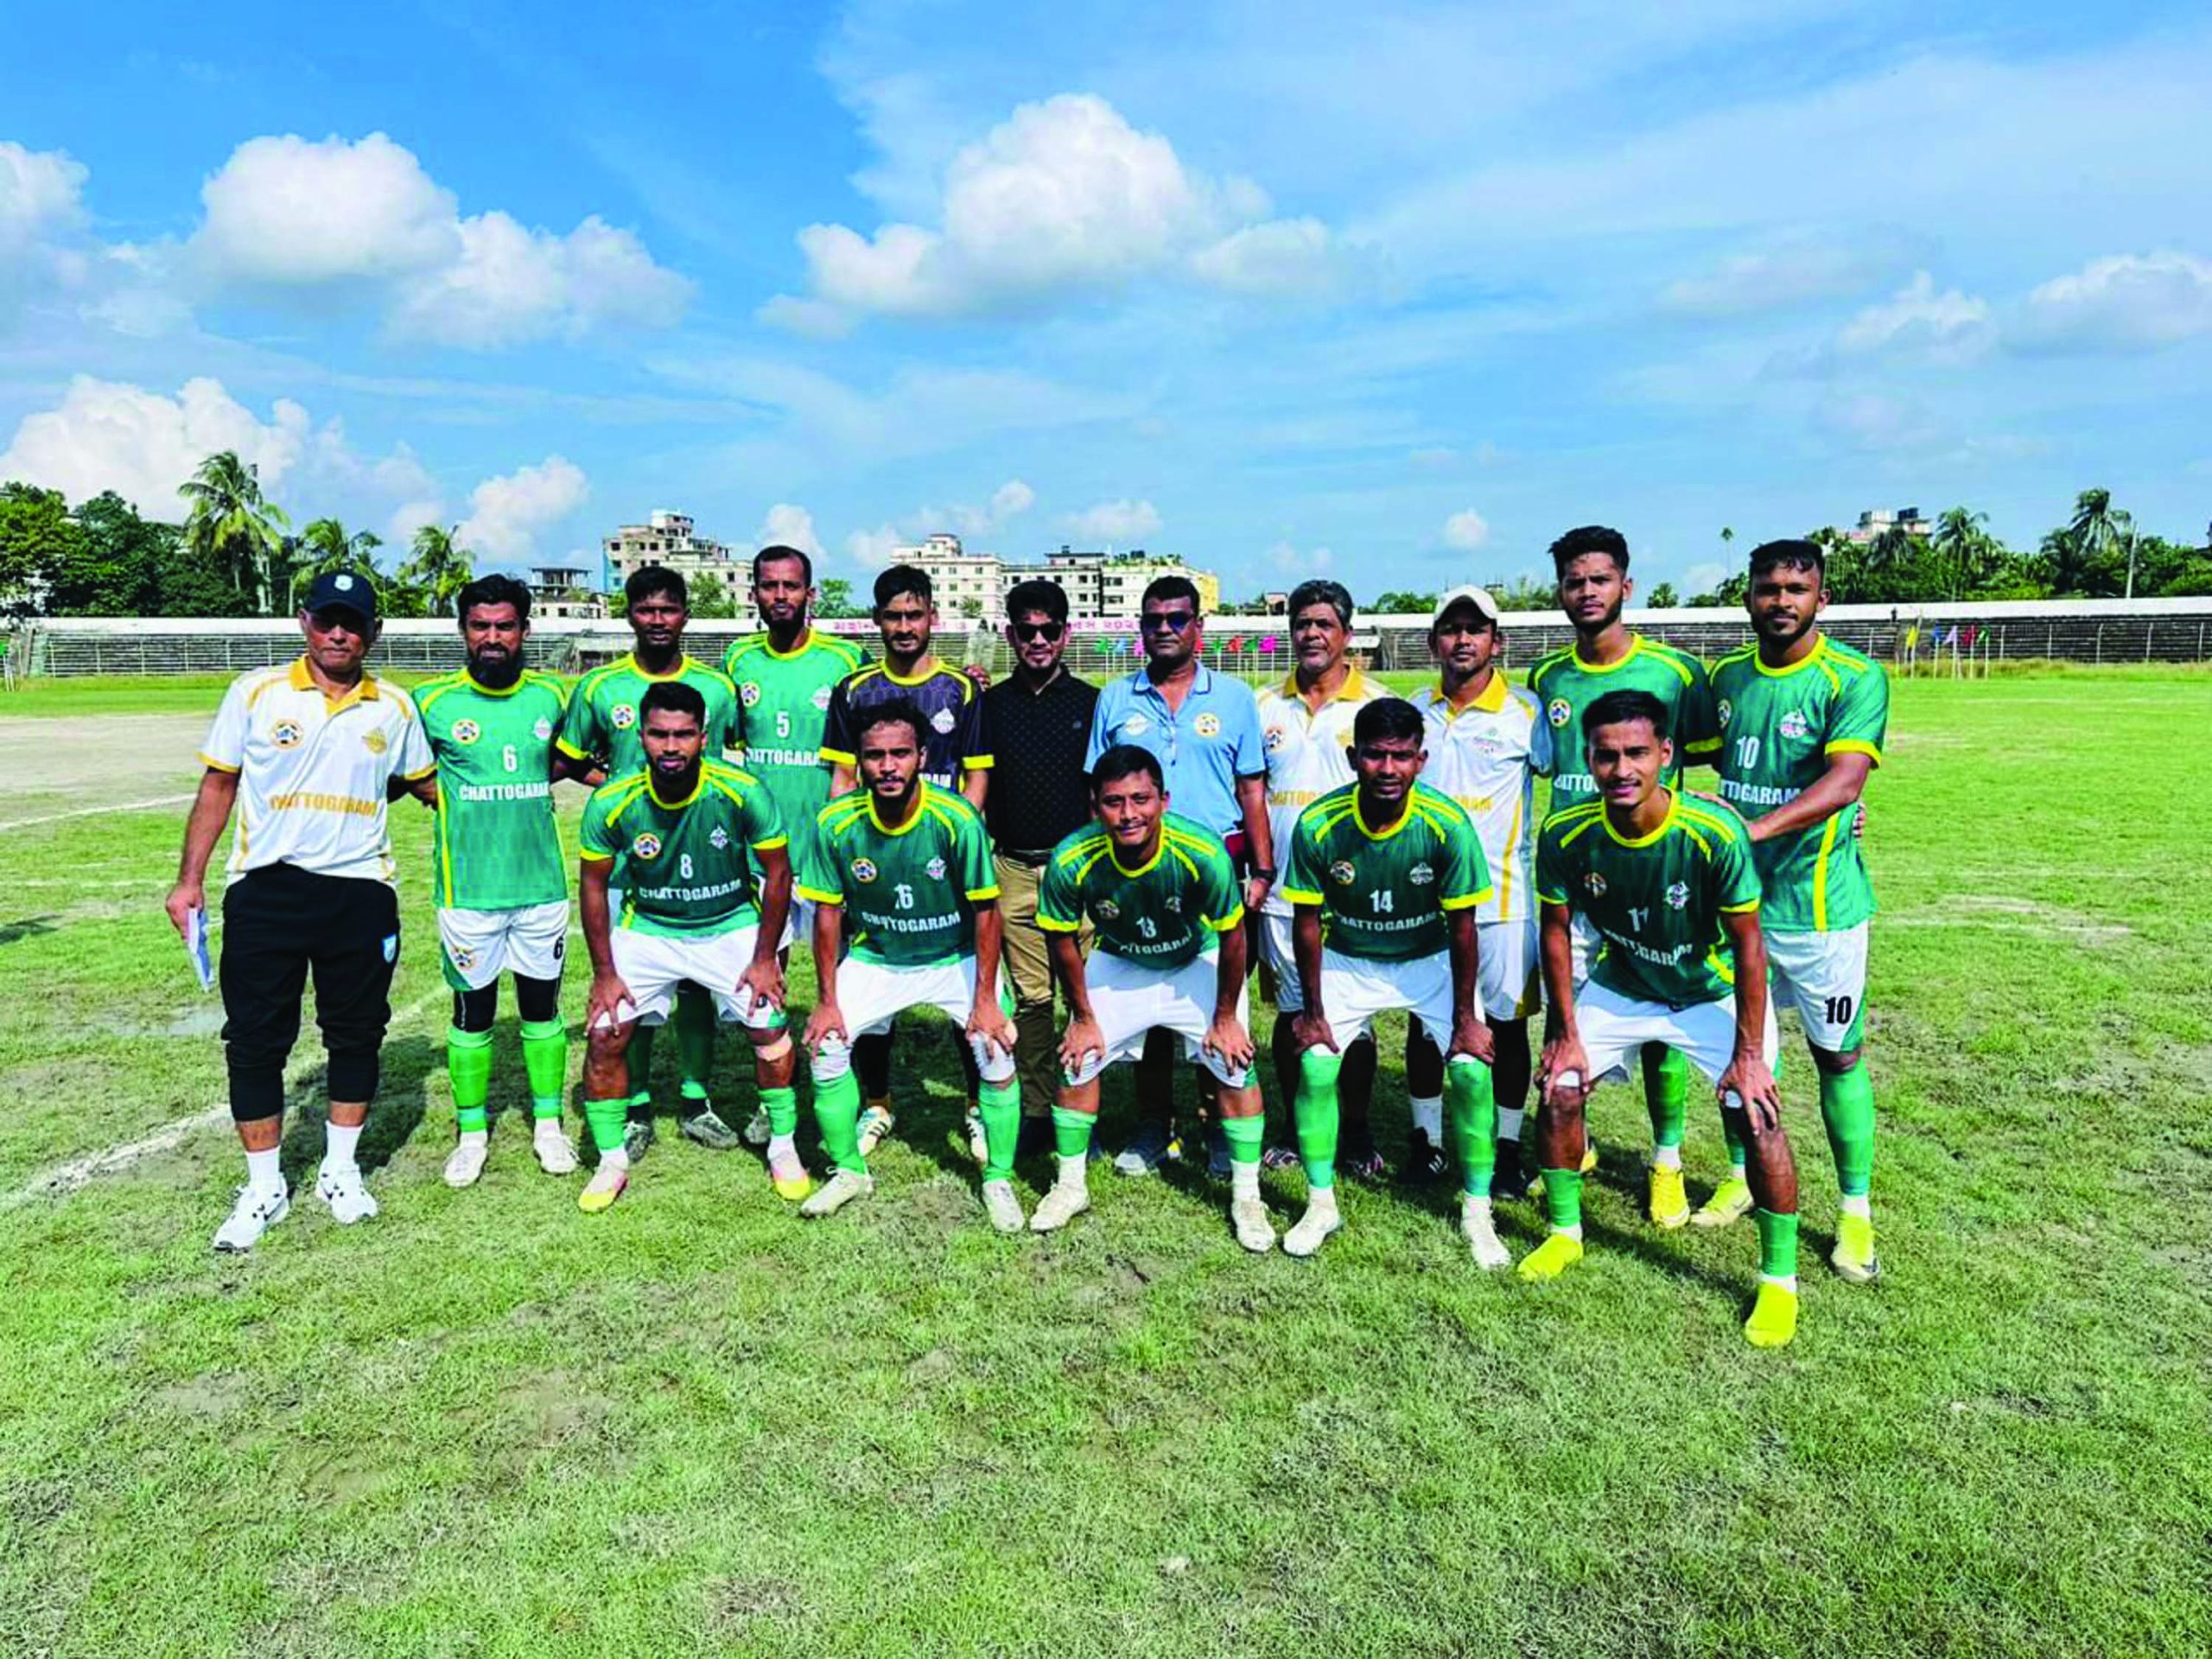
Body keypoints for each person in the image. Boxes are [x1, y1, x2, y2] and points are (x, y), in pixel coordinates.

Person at [166, 570, 436, 1251]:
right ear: (303, 622)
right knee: (256, 1040)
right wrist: (189, 880)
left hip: (360, 892)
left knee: (357, 1033)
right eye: (327, 620)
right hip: (267, 889)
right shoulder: (255, 692)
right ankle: (264, 1187)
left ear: (375, 632)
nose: (339, 634)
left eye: (353, 623)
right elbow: (219, 784)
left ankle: (340, 1172)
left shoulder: (395, 708)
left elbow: (428, 785)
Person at [1526, 689, 1801, 1348]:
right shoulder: (1566, 834)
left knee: (1756, 1112)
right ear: (1587, 759)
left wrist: (1748, 1056)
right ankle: (1565, 1234)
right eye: (1606, 756)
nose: (1622, 769)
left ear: (1667, 755)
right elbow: (1556, 931)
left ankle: (1779, 1282)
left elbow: (1750, 947)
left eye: (1637, 753)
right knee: (1560, 1089)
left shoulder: (1713, 833)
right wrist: (1564, 1034)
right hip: (1625, 984)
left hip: (1709, 991)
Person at [1526, 525, 1719, 1224]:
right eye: (1574, 582)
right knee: (1566, 1016)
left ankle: (1667, 1162)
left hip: (1658, 879)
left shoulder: (1676, 673)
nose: (1586, 592)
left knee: (1663, 1023)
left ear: (1626, 586)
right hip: (1575, 883)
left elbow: (1718, 769)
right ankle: (1571, 1147)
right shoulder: (1546, 679)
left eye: (1599, 580)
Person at [1708, 539, 1889, 1281]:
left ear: (1821, 598)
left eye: (1795, 588)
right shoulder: (1725, 677)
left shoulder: (1855, 676)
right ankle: (1741, 1177)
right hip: (1737, 908)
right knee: (1739, 1054)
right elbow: (1674, 758)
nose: (1780, 601)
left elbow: (1845, 782)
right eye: (1768, 588)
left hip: (1820, 911)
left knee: (1836, 1057)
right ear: (1748, 597)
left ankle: (1855, 1212)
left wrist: (1752, 831)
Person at [1278, 699, 1503, 1263]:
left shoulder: (1447, 824)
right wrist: (1312, 1012)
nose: (1387, 768)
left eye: (1401, 756)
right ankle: (1320, 1204)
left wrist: (1466, 1019)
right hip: (1350, 957)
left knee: (1472, 1070)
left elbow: (1463, 927)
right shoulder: (1319, 824)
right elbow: (1307, 922)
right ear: (1353, 757)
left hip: (1428, 958)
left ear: (1421, 761)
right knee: (1316, 1065)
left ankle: (1478, 1212)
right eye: (1375, 755)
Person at [796, 700, 1023, 1229]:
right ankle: (849, 1172)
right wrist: (826, 1001)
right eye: (874, 756)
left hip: (954, 956)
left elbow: (987, 912)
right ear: (859, 760)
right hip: (879, 956)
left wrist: (986, 1000)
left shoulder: (956, 818)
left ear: (922, 756)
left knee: (995, 1046)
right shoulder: (835, 822)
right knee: (827, 1045)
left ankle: (998, 1179)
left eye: (900, 753)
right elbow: (827, 915)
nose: (888, 766)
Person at [1033, 746, 1269, 1249]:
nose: (1128, 814)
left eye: (1140, 799)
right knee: (1078, 1059)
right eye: (1114, 802)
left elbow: (1234, 937)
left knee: (1234, 1063)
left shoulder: (1202, 851)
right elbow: (1061, 939)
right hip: (1122, 959)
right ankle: (1070, 1186)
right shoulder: (1071, 858)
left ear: (1164, 800)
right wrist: (1082, 1016)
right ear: (1095, 805)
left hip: (1195, 957)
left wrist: (1226, 1017)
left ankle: (1248, 1198)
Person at [574, 682, 798, 1212]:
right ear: (640, 736)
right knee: (605, 1035)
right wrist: (605, 973)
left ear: (704, 736)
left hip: (729, 924)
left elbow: (778, 872)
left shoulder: (742, 790)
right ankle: (611, 1162)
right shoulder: (612, 800)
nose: (670, 747)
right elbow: (592, 886)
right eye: (659, 735)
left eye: (683, 735)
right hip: (650, 926)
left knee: (770, 1030)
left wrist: (764, 958)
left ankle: (784, 1148)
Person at [1086, 575, 1273, 1174]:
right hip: (1138, 873)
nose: (1164, 629)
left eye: (1177, 619)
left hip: (1214, 872)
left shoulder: (1235, 697)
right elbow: (1098, 791)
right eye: (1154, 620)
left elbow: (1251, 789)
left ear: (1199, 626)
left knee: (1214, 996)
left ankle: (1217, 1123)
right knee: (1151, 998)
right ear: (1140, 627)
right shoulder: (1116, 697)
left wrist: (1263, 868)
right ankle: (1153, 1124)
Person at [559, 567, 743, 1157]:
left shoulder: (717, 688)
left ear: (686, 614)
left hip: (704, 865)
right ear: (629, 614)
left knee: (696, 987)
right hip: (626, 866)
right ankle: (636, 1107)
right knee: (628, 993)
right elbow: (569, 759)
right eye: (646, 609)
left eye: (668, 609)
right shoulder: (600, 686)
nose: (657, 620)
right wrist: (617, 791)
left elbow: (731, 757)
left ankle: (696, 1101)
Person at [820, 565, 994, 1160]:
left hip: (943, 860)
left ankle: (976, 1106)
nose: (903, 627)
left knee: (963, 983)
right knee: (871, 985)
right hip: (875, 859)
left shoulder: (961, 690)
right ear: (877, 620)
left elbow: (976, 778)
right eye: (892, 616)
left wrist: (954, 846)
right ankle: (877, 1102)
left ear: (931, 618)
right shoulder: (855, 690)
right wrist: (849, 856)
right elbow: (843, 777)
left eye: (913, 615)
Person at [414, 575, 582, 1187]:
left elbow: (565, 761)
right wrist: (451, 798)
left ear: (524, 631)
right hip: (469, 892)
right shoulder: (431, 702)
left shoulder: (551, 696)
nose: (492, 637)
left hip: (540, 887)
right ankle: (472, 1134)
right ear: (463, 630)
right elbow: (408, 773)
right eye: (480, 626)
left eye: (505, 626)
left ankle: (548, 1126)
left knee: (542, 1010)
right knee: (472, 1013)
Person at [722, 543, 868, 1141]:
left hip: (831, 854)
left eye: (790, 586)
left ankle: (851, 1089)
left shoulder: (845, 658)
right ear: (754, 593)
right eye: (769, 585)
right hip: (766, 856)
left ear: (811, 593)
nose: (779, 596)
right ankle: (774, 1100)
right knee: (768, 976)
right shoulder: (737, 660)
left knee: (846, 981)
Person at [1410, 587, 1551, 1198]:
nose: (1462, 640)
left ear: (1498, 641)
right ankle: (1426, 1143)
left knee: (1506, 1027)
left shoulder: (1527, 712)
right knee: (1425, 1025)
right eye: (1451, 629)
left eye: (1476, 629)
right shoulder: (1415, 710)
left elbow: (1570, 777)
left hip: (1503, 902)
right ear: (1432, 641)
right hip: (1426, 902)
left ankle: (1508, 1149)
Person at [1254, 579, 1387, 1177]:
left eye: (1323, 624)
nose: (1311, 633)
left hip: (1353, 894)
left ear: (1347, 635)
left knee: (1353, 1019)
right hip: (1284, 890)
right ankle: (1294, 1123)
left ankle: (1355, 1130)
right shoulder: (1263, 705)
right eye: (1302, 624)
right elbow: (1252, 795)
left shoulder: (1375, 706)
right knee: (1293, 1012)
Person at [982, 578, 1102, 1149]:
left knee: (1085, 996)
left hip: (1075, 869)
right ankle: (1035, 1110)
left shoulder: (1092, 703)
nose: (1037, 641)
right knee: (1032, 999)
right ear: (1010, 635)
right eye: (1026, 631)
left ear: (1065, 634)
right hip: (1013, 867)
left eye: (1048, 630)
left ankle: (1083, 1105)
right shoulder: (990, 705)